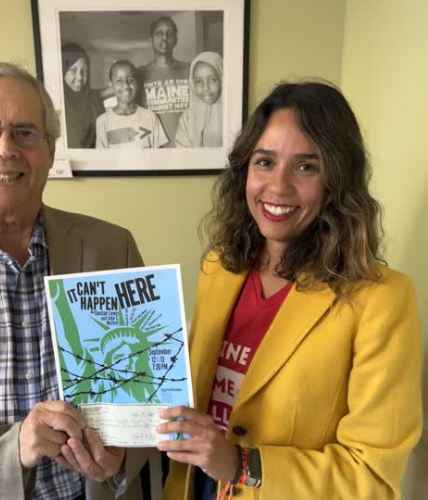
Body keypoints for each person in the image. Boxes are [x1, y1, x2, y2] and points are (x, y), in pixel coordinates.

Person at [157, 81, 423, 499]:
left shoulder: (382, 301)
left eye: (306, 167)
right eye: (265, 161)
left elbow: (373, 477)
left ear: (336, 180)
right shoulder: (220, 268)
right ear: (244, 170)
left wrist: (241, 464)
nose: (278, 186)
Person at [0, 62, 161, 500]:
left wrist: (122, 456)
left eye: (25, 132)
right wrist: (13, 446)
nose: (5, 148)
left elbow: (147, 394)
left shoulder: (113, 248)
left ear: (51, 150)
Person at [139, 16, 190, 148]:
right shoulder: (139, 73)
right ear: (151, 39)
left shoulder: (190, 69)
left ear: (176, 39)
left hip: (186, 148)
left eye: (170, 33)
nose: (165, 37)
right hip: (153, 150)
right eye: (159, 33)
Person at [96, 60, 168, 149]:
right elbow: (101, 156)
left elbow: (159, 155)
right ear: (111, 85)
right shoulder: (102, 121)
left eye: (130, 80)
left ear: (137, 84)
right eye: (119, 81)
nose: (126, 85)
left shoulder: (151, 117)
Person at [175, 52, 223, 148]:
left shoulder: (232, 113)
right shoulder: (187, 117)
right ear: (192, 83)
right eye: (198, 81)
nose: (205, 88)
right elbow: (182, 152)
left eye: (213, 80)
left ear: (222, 78)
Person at [62, 43, 105, 149]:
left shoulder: (95, 103)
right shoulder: (56, 102)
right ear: (62, 71)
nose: (80, 77)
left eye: (84, 71)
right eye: (73, 70)